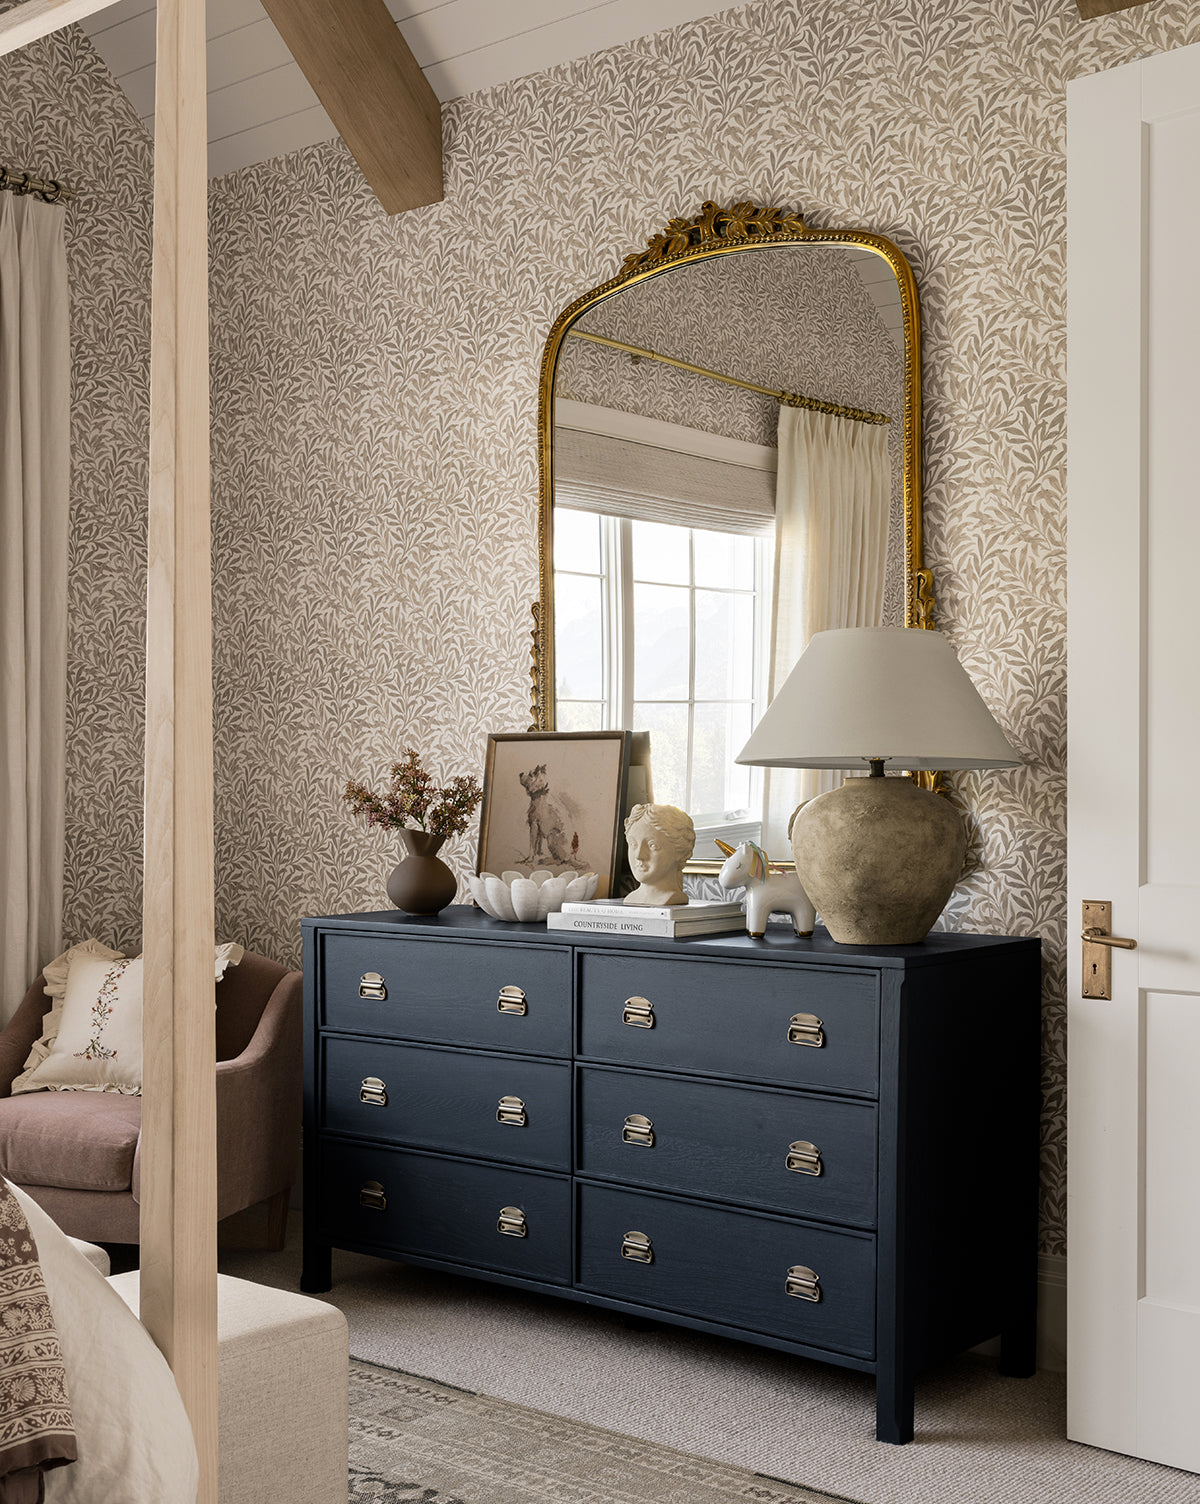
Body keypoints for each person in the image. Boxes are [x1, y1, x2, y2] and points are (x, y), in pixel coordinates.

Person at [623, 803, 695, 907]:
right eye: (633, 844)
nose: (639, 855)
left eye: (653, 845)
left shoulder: (671, 899)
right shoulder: (631, 899)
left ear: (680, 852)